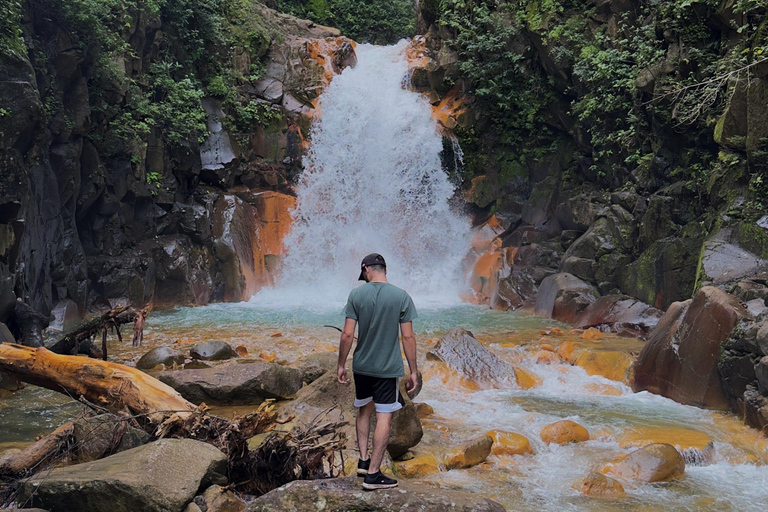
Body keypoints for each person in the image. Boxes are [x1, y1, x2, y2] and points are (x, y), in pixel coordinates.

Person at [337, 253, 418, 490]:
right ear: (384, 269)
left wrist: (341, 365)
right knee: (384, 415)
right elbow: (408, 336)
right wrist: (413, 370)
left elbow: (347, 334)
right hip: (386, 368)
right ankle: (373, 474)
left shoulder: (356, 295)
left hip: (362, 366)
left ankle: (363, 462)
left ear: (366, 269)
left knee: (363, 408)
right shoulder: (402, 296)